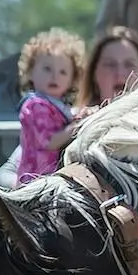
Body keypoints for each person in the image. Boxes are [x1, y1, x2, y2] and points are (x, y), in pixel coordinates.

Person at [14, 29, 86, 185]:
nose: (55, 76)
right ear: (30, 72)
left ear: (73, 79)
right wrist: (78, 125)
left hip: (51, 179)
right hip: (35, 180)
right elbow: (49, 141)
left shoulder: (59, 106)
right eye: (47, 69)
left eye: (63, 72)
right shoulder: (35, 105)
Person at [81, 26, 138, 108]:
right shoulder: (69, 118)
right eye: (110, 65)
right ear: (94, 75)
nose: (120, 73)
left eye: (129, 64)